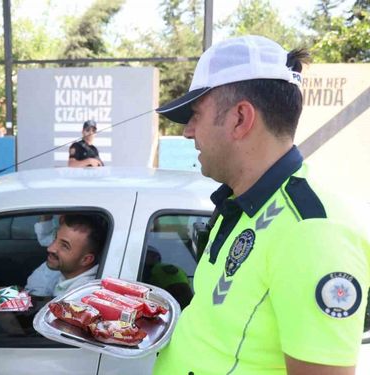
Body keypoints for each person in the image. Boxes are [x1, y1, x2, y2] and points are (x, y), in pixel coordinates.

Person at [152, 35, 369, 375]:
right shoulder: (241, 204)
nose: (188, 131)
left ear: (240, 118)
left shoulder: (312, 232)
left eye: (195, 114)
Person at [25, 214, 107, 297]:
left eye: (65, 246)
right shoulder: (69, 274)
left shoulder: (79, 296)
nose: (50, 248)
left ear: (86, 260)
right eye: (55, 238)